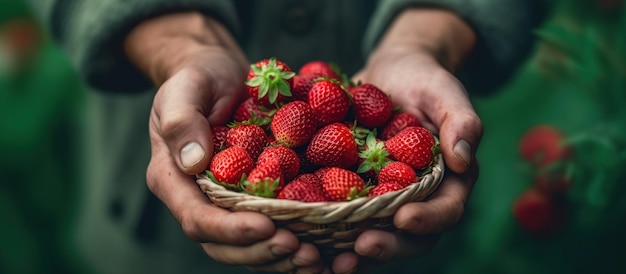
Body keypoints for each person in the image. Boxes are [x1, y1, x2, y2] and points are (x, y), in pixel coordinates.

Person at [30, 0, 544, 273]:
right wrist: (178, 44)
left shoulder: (329, 129)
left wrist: (431, 35)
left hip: (401, 247)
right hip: (151, 244)